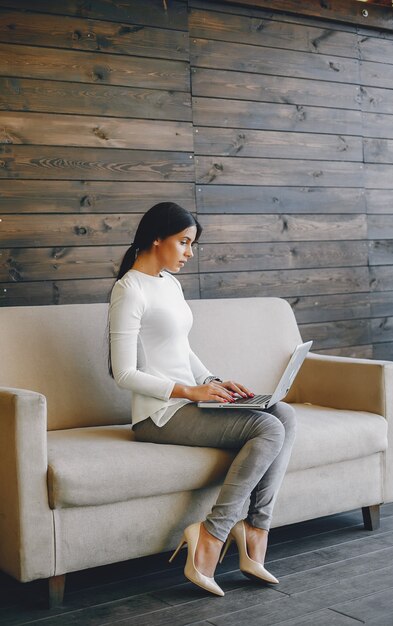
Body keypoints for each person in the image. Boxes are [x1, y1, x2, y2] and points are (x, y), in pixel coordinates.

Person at [108, 202, 296, 597]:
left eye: (192, 244)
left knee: (284, 414)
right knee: (266, 427)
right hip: (158, 415)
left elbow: (180, 349)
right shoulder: (129, 290)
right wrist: (190, 391)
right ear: (156, 238)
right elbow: (123, 374)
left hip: (188, 402)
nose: (189, 253)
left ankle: (256, 527)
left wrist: (212, 380)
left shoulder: (168, 283)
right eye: (184, 242)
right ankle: (212, 534)